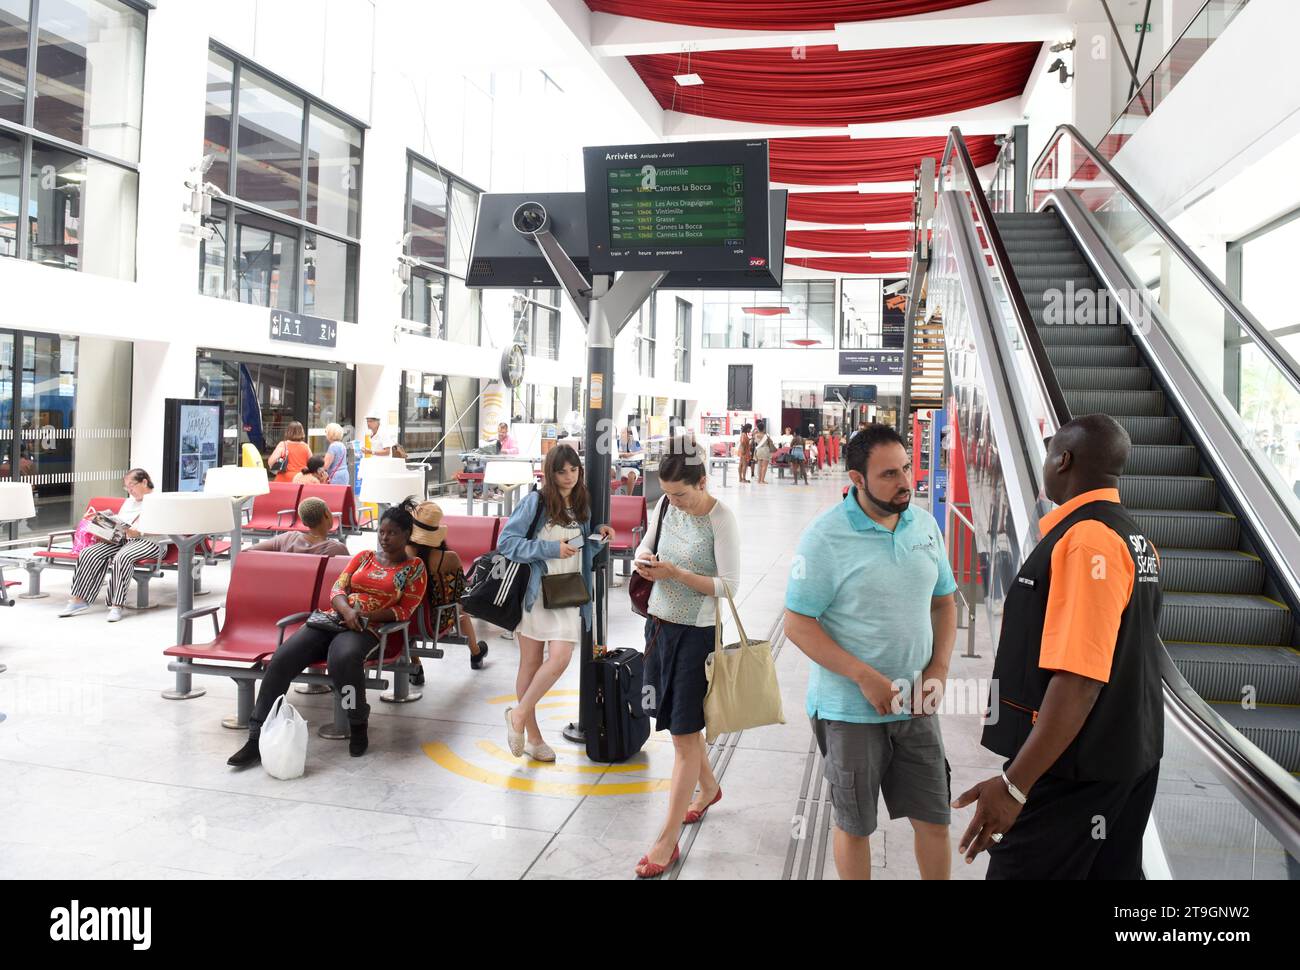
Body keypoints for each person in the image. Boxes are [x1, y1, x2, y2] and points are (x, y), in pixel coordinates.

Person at [953, 414, 1163, 880]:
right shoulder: (1136, 539)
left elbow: (1081, 677)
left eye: (1050, 455)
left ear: (1062, 459)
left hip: (1074, 769)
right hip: (1126, 754)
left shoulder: (1087, 540)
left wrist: (1015, 786)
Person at [784, 425, 958, 880]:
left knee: (935, 820)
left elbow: (944, 602)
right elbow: (797, 623)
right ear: (857, 479)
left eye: (906, 467)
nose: (905, 481)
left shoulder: (925, 524)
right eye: (888, 474)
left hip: (917, 707)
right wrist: (863, 676)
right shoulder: (825, 537)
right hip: (849, 712)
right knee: (855, 825)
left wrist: (938, 668)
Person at [227, 503, 428, 767]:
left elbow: (404, 610)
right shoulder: (363, 557)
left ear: (406, 535)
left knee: (342, 659)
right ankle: (256, 736)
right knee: (282, 658)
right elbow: (337, 589)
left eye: (392, 533)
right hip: (334, 619)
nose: (384, 538)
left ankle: (357, 721)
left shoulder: (414, 568)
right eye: (381, 532)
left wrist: (365, 616)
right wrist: (347, 611)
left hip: (366, 628)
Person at [632, 435, 741, 878]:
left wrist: (676, 573)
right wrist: (644, 560)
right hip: (658, 626)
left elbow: (729, 586)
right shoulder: (663, 508)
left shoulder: (722, 519)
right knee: (681, 726)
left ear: (703, 481)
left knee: (682, 734)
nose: (673, 502)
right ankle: (709, 787)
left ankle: (666, 840)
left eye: (681, 493)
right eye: (667, 493)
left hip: (696, 635)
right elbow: (645, 544)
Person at [497, 444, 614, 763]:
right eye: (562, 471)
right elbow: (507, 543)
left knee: (561, 656)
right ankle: (533, 737)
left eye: (574, 470)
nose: (569, 477)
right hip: (536, 593)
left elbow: (578, 545)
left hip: (567, 591)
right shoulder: (535, 501)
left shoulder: (581, 503)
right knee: (531, 663)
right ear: (551, 472)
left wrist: (598, 535)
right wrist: (550, 550)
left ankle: (518, 715)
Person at [59, 469, 164, 624]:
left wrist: (139, 533)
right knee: (89, 553)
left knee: (123, 557)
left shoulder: (159, 500)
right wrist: (105, 530)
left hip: (151, 541)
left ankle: (116, 605)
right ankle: (79, 599)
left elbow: (165, 528)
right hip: (124, 540)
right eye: (126, 487)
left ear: (144, 482)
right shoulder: (129, 502)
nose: (129, 490)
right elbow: (121, 525)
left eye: (132, 485)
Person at [405, 501, 488, 673]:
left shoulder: (399, 554)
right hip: (436, 624)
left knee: (410, 608)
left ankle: (416, 665)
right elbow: (458, 594)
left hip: (403, 621)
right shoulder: (449, 558)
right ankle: (476, 653)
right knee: (460, 611)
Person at [249, 497, 349, 556]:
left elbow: (248, 552)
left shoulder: (287, 539)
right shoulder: (337, 550)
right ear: (327, 514)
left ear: (304, 522)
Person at [617, 425, 643, 495]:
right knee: (611, 472)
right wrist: (631, 454)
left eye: (623, 433)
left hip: (633, 468)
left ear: (628, 434)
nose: (621, 435)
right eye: (621, 433)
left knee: (631, 475)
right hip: (620, 467)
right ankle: (612, 496)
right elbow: (619, 454)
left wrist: (628, 454)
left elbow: (641, 452)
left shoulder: (634, 443)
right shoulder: (617, 442)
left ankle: (629, 496)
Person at [752, 420, 776, 485]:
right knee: (764, 466)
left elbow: (755, 441)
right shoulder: (766, 435)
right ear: (764, 428)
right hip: (765, 450)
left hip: (758, 450)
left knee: (759, 466)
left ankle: (759, 480)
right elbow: (771, 442)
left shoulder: (756, 435)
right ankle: (762, 480)